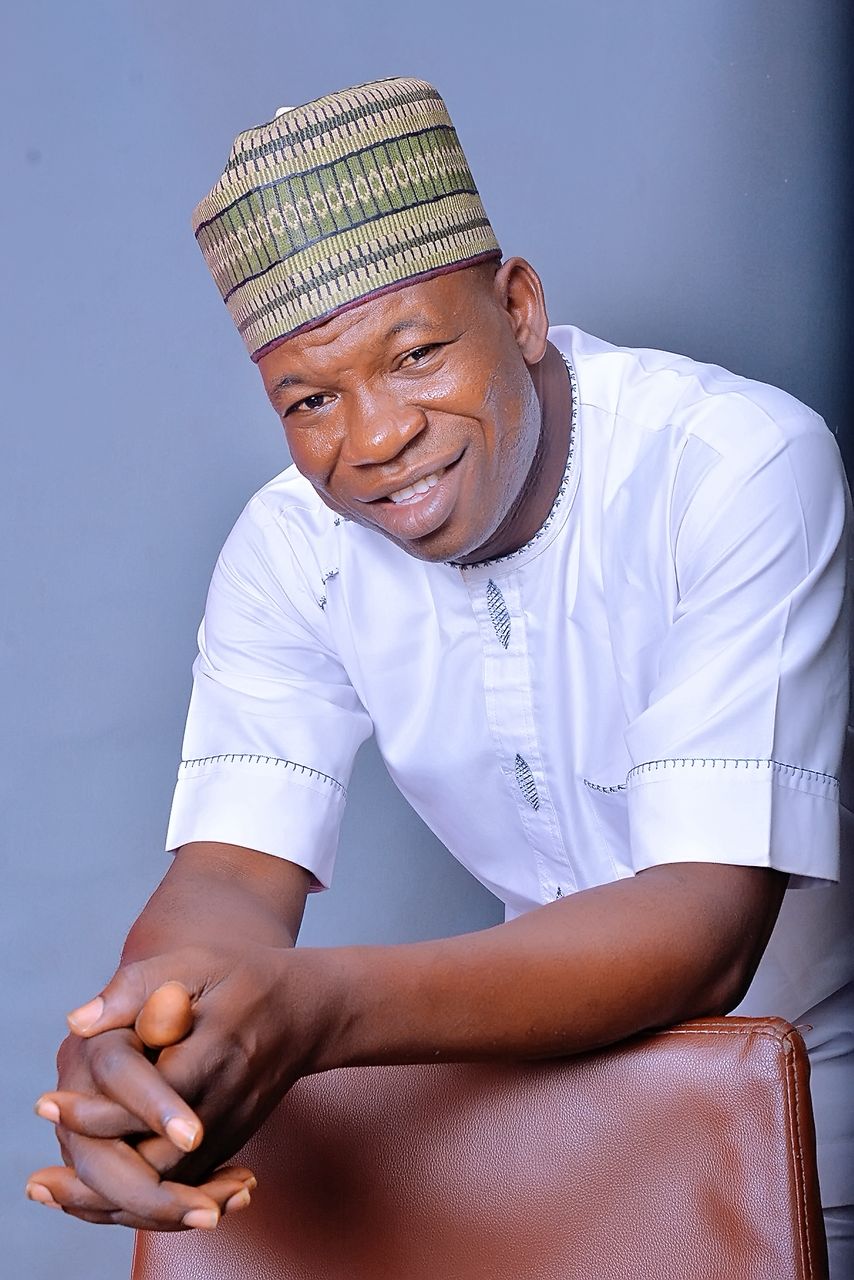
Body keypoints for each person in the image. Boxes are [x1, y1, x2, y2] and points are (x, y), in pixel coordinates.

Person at [26, 77, 853, 1271]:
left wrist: (316, 1007)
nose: (373, 438)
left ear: (517, 307)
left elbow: (702, 927)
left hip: (812, 1121)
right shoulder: (290, 546)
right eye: (311, 398)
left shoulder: (731, 466)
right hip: (523, 1123)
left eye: (414, 354)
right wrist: (136, 1038)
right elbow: (228, 876)